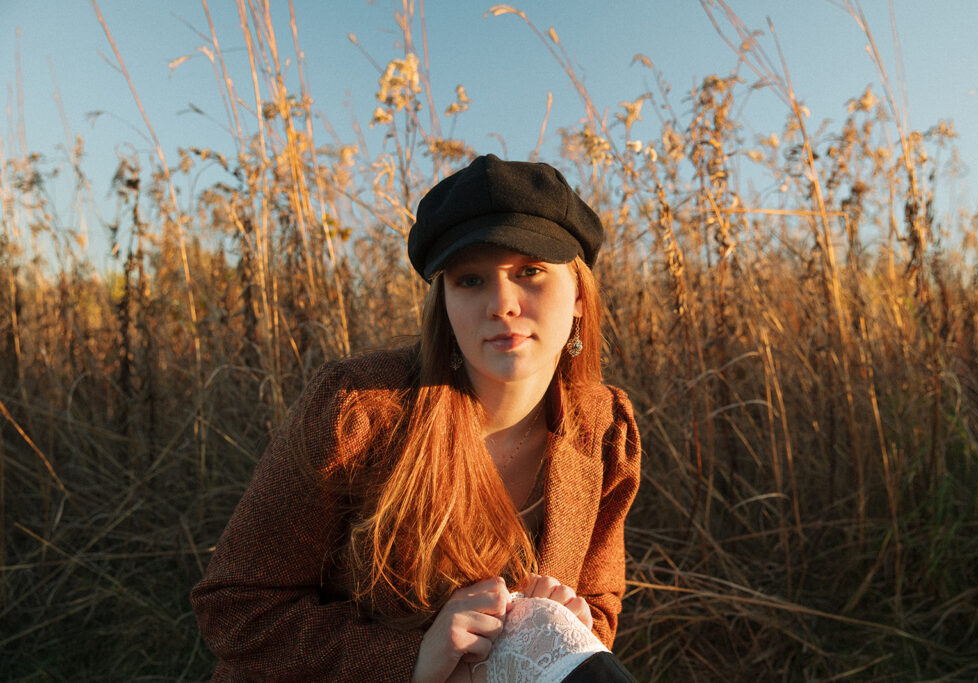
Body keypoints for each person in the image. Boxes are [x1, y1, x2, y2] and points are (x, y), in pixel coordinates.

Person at [191, 154, 642, 681]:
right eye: (470, 280)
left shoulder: (605, 428)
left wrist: (576, 624)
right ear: (444, 304)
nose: (502, 303)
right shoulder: (358, 410)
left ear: (580, 295)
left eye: (530, 272)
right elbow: (236, 605)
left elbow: (600, 596)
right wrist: (412, 660)